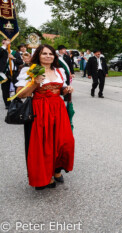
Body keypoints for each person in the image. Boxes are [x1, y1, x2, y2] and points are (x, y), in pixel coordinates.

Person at [15, 44, 75, 190]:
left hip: (58, 109)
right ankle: (44, 176)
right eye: (44, 54)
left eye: (51, 54)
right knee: (44, 145)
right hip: (40, 110)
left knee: (64, 142)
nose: (48, 56)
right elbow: (20, 94)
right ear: (38, 56)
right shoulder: (31, 70)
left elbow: (60, 90)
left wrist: (66, 89)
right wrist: (34, 83)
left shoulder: (59, 71)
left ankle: (57, 169)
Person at [0, 39, 10, 109]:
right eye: (6, 40)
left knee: (16, 88)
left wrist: (14, 58)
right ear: (3, 42)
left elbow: (20, 62)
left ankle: (17, 103)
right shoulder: (1, 50)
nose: (8, 42)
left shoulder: (14, 52)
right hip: (4, 72)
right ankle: (8, 104)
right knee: (5, 90)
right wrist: (4, 46)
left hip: (13, 72)